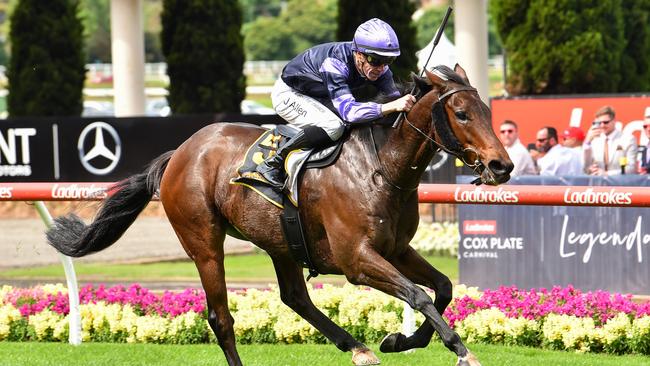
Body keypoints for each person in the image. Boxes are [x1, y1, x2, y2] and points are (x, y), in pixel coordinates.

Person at [256, 18, 416, 189]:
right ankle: (273, 164)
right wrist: (389, 106)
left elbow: (396, 99)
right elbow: (351, 113)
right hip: (289, 94)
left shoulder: (380, 69)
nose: (381, 67)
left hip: (317, 95)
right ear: (358, 54)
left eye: (388, 61)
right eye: (375, 60)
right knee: (334, 126)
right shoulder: (335, 63)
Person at [583, 106, 638, 175]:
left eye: (606, 122)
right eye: (599, 123)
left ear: (614, 121)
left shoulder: (628, 139)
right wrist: (591, 169)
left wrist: (607, 174)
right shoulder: (594, 140)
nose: (602, 125)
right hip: (598, 183)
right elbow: (585, 166)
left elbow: (631, 168)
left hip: (620, 183)